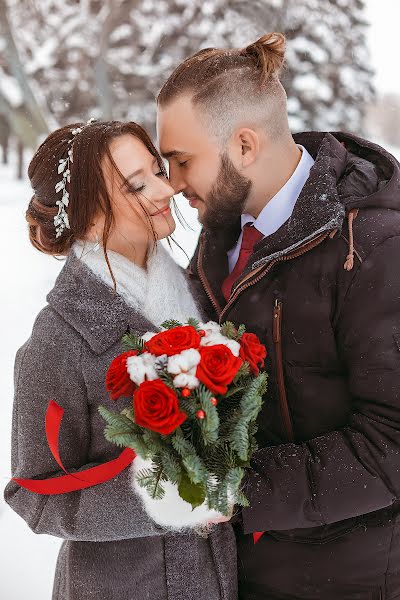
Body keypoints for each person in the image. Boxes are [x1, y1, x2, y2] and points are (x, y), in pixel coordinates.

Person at [156, 32, 400, 600]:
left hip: (348, 578)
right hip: (242, 570)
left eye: (181, 160)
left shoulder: (374, 246)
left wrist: (237, 489)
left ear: (243, 145)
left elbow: (392, 440)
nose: (171, 183)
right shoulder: (218, 238)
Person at [3, 120, 237, 600]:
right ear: (86, 213)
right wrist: (161, 500)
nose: (166, 187)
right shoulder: (57, 341)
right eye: (137, 184)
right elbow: (32, 495)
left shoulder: (200, 293)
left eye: (157, 171)